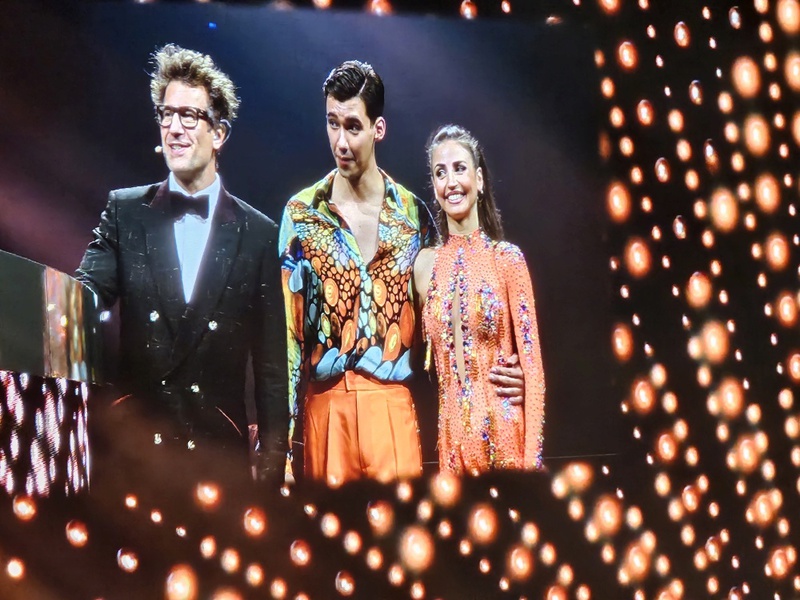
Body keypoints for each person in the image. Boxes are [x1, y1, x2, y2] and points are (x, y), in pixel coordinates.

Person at [279, 61, 525, 486]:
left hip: (393, 408)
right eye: (332, 124)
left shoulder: (415, 217)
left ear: (378, 128)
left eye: (353, 127)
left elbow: (451, 322)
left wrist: (506, 376)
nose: (341, 141)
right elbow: (288, 341)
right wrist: (284, 449)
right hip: (325, 409)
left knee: (402, 527)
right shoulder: (301, 215)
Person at [75, 44, 288, 487]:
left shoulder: (259, 233)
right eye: (166, 115)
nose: (174, 128)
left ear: (219, 133)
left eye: (189, 116)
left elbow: (271, 371)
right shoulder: (125, 212)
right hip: (135, 462)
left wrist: (270, 476)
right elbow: (84, 298)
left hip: (220, 468)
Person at [414, 124, 545, 474]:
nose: (451, 182)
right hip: (451, 446)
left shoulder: (507, 260)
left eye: (460, 168)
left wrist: (531, 468)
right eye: (440, 172)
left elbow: (533, 372)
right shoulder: (425, 267)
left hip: (505, 440)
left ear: (480, 179)